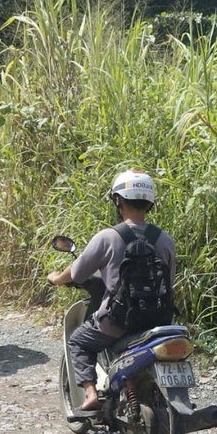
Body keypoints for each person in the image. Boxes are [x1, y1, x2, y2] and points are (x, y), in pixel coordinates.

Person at [46, 170, 176, 412]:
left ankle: (91, 394)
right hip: (158, 320)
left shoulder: (108, 237)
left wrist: (55, 278)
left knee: (78, 343)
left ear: (118, 200)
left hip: (118, 319)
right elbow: (169, 281)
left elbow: (77, 272)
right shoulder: (165, 240)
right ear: (150, 203)